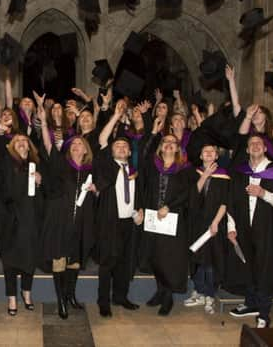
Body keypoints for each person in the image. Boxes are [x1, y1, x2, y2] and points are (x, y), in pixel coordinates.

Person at [37, 103, 96, 319]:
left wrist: (95, 188)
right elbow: (48, 145)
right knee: (59, 260)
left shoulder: (91, 170)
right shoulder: (62, 166)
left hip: (80, 223)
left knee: (75, 261)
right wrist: (44, 121)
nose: (76, 147)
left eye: (80, 144)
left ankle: (71, 295)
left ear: (85, 149)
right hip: (59, 221)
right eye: (73, 145)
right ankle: (61, 299)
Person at [227, 135, 273, 328]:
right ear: (247, 150)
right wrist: (231, 228)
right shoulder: (240, 172)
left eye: (259, 143)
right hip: (245, 226)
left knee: (265, 269)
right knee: (248, 266)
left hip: (268, 229)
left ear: (265, 148)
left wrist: (263, 194)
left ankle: (263, 313)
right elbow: (231, 202)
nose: (255, 146)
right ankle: (251, 303)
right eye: (251, 144)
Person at [93, 102, 145, 318]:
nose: (122, 149)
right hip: (109, 222)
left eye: (125, 147)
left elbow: (136, 197)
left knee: (125, 262)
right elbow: (102, 140)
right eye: (118, 147)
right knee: (108, 263)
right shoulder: (107, 165)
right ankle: (103, 301)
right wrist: (115, 116)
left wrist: (139, 211)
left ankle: (120, 296)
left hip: (129, 222)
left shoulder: (133, 171)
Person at [140, 129, 192, 316]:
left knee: (170, 258)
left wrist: (169, 206)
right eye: (165, 142)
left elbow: (187, 193)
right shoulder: (152, 167)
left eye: (173, 142)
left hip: (174, 218)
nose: (169, 144)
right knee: (156, 256)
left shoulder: (185, 169)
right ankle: (160, 291)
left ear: (178, 148)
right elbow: (144, 189)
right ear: (161, 148)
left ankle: (168, 296)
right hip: (154, 219)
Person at [0, 133, 43, 316]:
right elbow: (6, 191)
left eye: (25, 141)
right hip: (11, 220)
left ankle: (27, 292)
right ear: (12, 147)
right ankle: (12, 297)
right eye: (17, 142)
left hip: (31, 219)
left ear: (30, 146)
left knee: (29, 258)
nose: (22, 144)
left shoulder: (36, 165)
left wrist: (39, 182)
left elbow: (41, 197)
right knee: (11, 261)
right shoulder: (7, 163)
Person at [185, 144, 229, 315]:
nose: (209, 153)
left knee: (211, 261)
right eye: (205, 151)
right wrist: (205, 175)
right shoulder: (192, 173)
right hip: (195, 223)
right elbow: (192, 195)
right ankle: (198, 291)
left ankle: (209, 294)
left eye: (212, 151)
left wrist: (216, 222)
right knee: (196, 259)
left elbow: (225, 202)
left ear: (216, 156)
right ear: (201, 156)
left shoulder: (224, 176)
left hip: (214, 224)